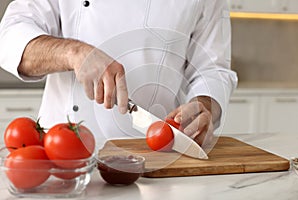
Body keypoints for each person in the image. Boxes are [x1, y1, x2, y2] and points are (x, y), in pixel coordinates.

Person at [0, 0, 237, 148]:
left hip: (156, 152)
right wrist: (73, 53)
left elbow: (212, 68)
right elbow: (9, 36)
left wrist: (204, 104)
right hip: (64, 153)